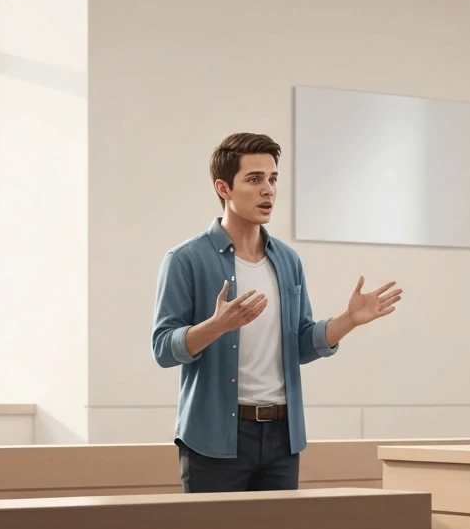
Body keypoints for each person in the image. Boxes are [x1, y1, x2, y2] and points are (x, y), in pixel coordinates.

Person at [152, 132, 402, 492]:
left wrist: (348, 321)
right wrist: (216, 326)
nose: (267, 190)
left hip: (283, 436)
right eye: (254, 180)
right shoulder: (185, 260)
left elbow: (299, 343)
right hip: (214, 437)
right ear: (224, 188)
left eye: (272, 179)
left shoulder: (287, 260)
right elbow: (162, 348)